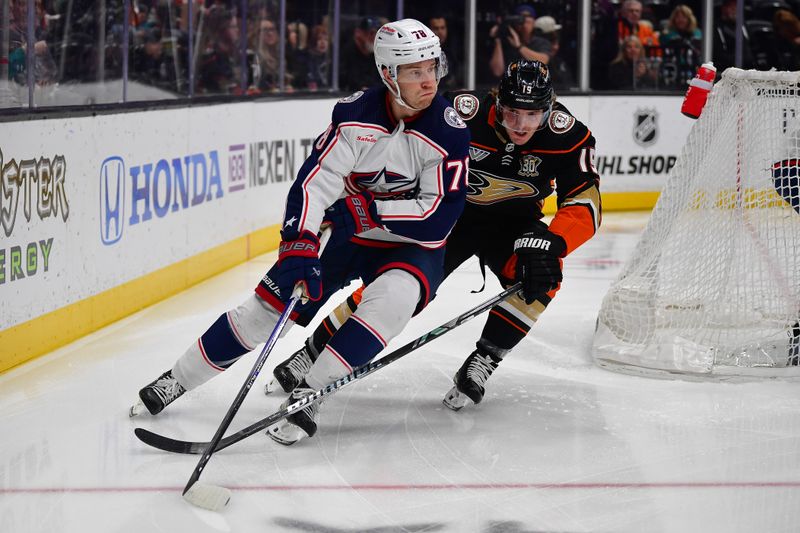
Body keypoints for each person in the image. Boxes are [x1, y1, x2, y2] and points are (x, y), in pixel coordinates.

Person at [129, 18, 471, 446]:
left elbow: (438, 215)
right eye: (415, 71)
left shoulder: (449, 131)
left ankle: (311, 393)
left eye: (432, 67)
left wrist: (366, 211)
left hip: (409, 246)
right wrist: (299, 246)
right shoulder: (353, 116)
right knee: (265, 310)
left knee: (393, 303)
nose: (429, 80)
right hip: (345, 236)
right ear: (388, 74)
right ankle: (175, 379)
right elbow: (313, 185)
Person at [266, 60, 601, 412]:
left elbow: (585, 199)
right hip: (448, 217)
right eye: (512, 112)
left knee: (542, 275)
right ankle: (313, 351)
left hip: (516, 224)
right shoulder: (461, 115)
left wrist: (555, 241)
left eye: (532, 115)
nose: (520, 125)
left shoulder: (570, 137)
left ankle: (485, 359)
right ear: (497, 101)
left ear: (549, 109)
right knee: (398, 285)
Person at [489, 4, 552, 79]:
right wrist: (498, 38)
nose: (524, 22)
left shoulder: (541, 42)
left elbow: (542, 62)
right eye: (520, 18)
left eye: (528, 17)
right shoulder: (507, 42)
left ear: (534, 22)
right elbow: (497, 71)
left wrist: (519, 47)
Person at [660, 4, 702, 88]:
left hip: (692, 70)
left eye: (684, 17)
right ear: (673, 19)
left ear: (689, 19)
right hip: (672, 70)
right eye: (678, 17)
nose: (681, 20)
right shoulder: (667, 34)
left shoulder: (697, 33)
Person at [339, 16, 384, 92]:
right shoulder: (346, 54)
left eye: (377, 34)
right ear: (358, 33)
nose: (375, 38)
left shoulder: (377, 54)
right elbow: (345, 82)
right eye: (371, 33)